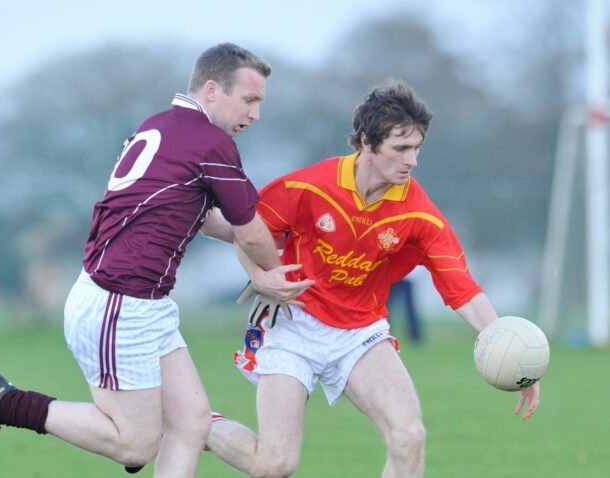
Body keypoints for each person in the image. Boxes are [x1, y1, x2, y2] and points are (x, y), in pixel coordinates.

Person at [0, 43, 311, 477]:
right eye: (250, 100)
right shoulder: (209, 140)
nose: (255, 114)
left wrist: (283, 238)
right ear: (213, 89)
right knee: (133, 445)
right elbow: (249, 229)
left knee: (191, 422)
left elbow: (212, 221)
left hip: (143, 305)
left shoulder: (162, 127)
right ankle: (7, 403)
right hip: (119, 304)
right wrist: (271, 273)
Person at [204, 80, 541, 477]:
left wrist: (511, 352)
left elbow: (462, 289)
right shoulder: (310, 186)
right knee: (275, 464)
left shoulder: (419, 215)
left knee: (409, 435)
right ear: (366, 141)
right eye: (401, 148)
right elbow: (248, 230)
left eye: (417, 148)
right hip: (293, 324)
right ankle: (195, 421)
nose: (412, 160)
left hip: (359, 331)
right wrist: (258, 276)